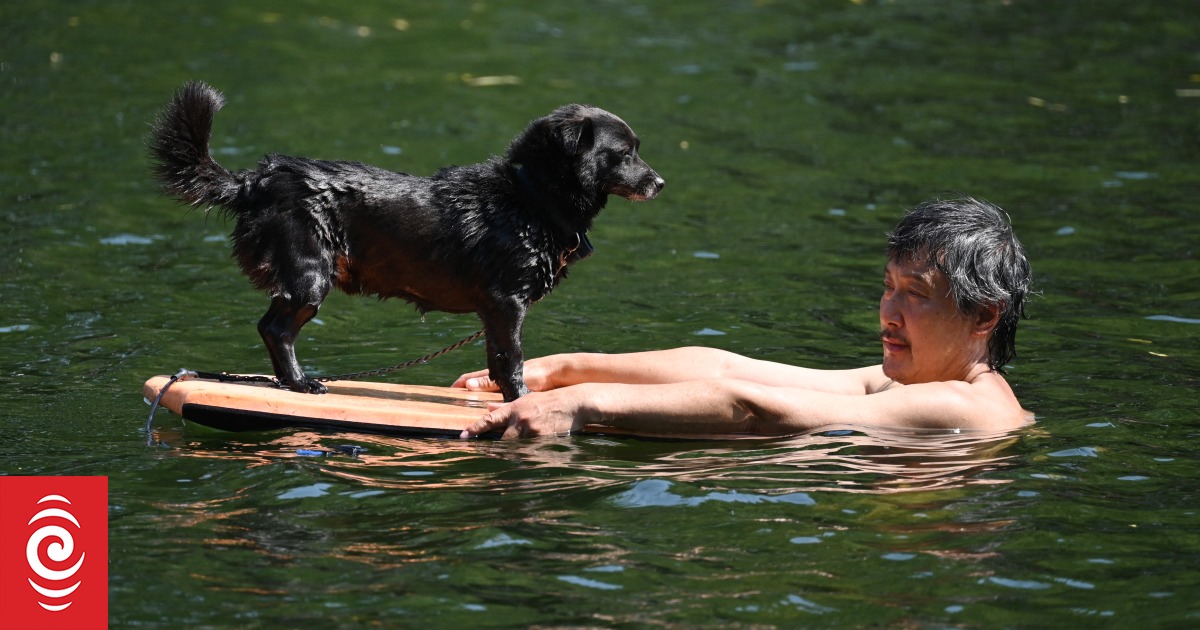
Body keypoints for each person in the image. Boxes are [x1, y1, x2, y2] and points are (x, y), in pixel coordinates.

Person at [454, 195, 1033, 439]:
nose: (890, 311)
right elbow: (730, 367)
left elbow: (757, 409)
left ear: (984, 315)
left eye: (917, 294)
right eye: (888, 288)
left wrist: (578, 405)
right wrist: (561, 370)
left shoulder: (961, 406)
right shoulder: (911, 379)